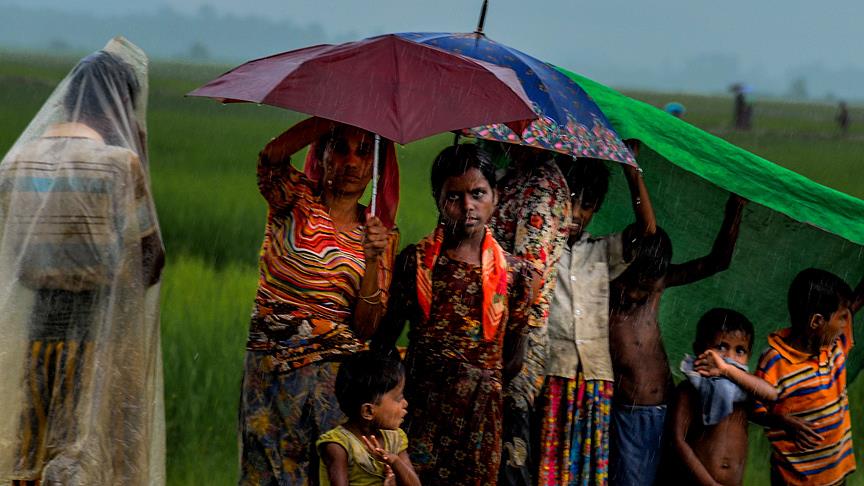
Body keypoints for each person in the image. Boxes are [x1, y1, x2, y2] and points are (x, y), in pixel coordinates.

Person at [0, 37, 165, 484]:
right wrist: (140, 158)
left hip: (37, 335)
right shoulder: (117, 165)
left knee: (31, 448)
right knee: (82, 455)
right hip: (98, 340)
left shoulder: (17, 163)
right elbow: (151, 260)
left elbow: (13, 260)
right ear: (120, 106)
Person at [239, 117, 401, 485]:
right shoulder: (294, 200)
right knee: (268, 470)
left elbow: (366, 326)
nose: (351, 163)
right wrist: (335, 112)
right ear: (322, 154)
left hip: (334, 379)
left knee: (333, 473)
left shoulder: (380, 234)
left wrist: (373, 258)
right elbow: (272, 156)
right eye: (339, 148)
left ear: (376, 168)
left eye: (364, 153)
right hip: (273, 368)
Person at [374, 144, 534, 486]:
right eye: (454, 196)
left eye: (478, 193)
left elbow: (513, 361)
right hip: (421, 409)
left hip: (481, 419)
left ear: (496, 195)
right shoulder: (415, 262)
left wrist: (477, 382)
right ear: (437, 198)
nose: (467, 206)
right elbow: (385, 339)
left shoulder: (517, 276)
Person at [607, 194, 747, 486]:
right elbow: (642, 227)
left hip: (668, 408)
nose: (639, 295)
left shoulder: (655, 285)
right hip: (631, 415)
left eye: (647, 288)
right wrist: (633, 173)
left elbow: (717, 262)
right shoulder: (604, 292)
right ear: (623, 267)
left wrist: (735, 211)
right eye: (635, 285)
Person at [536, 148, 656, 486]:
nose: (576, 213)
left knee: (584, 469)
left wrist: (633, 173)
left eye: (586, 205)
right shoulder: (539, 246)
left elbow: (647, 231)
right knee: (548, 465)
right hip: (552, 371)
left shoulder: (602, 250)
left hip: (594, 379)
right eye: (570, 200)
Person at [484, 142, 571, 486]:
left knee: (508, 442)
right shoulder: (513, 177)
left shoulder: (541, 188)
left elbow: (527, 279)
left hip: (516, 332)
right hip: (498, 325)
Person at [753, 268, 864, 486]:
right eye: (842, 318)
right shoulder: (775, 362)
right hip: (793, 479)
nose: (846, 325)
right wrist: (781, 420)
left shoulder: (835, 346)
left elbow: (855, 302)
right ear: (816, 322)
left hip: (834, 474)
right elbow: (754, 409)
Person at [666, 308, 778, 486]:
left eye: (740, 351)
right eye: (722, 347)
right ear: (699, 349)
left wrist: (728, 371)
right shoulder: (691, 388)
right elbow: (678, 440)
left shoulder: (744, 394)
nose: (729, 357)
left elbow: (772, 395)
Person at [318, 351, 419, 486]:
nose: (405, 403)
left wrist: (394, 461)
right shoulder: (339, 445)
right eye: (398, 398)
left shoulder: (395, 437)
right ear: (368, 411)